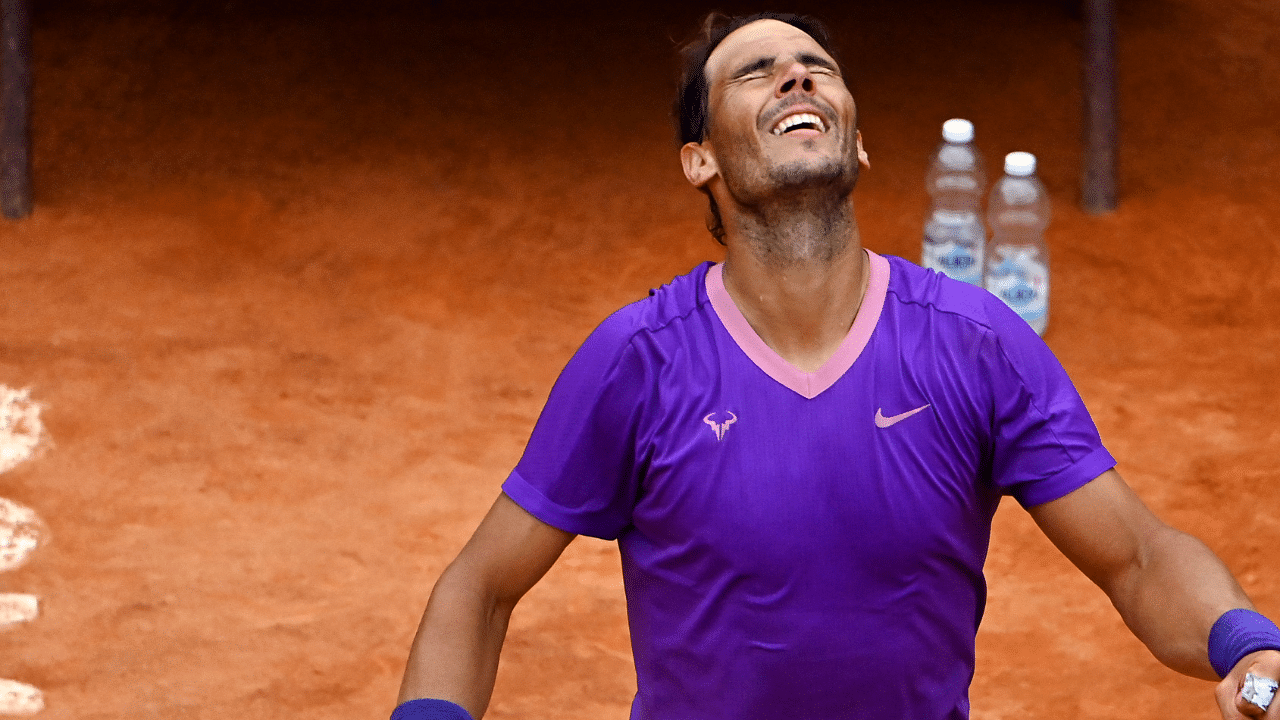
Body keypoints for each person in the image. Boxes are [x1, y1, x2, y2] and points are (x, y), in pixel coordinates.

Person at [392, 12, 1280, 720]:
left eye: (816, 65)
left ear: (855, 143)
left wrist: (1245, 644)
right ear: (698, 160)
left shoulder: (976, 342)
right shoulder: (636, 361)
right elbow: (480, 588)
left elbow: (1136, 556)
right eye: (754, 71)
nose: (796, 75)